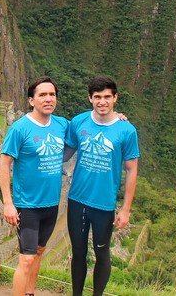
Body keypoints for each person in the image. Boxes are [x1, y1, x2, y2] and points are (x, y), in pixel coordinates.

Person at [64, 75, 139, 296]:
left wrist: (125, 209)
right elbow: (65, 153)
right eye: (97, 97)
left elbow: (132, 169)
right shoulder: (79, 122)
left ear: (115, 98)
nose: (102, 102)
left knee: (102, 253)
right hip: (77, 199)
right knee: (78, 253)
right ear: (90, 98)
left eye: (107, 97)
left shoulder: (126, 131)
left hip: (104, 204)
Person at [0, 76, 67, 296]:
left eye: (52, 94)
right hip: (27, 204)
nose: (48, 99)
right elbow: (4, 165)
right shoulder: (20, 129)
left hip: (51, 203)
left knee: (38, 252)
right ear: (31, 100)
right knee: (26, 258)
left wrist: (116, 116)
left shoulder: (62, 125)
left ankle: (30, 293)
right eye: (42, 95)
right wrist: (8, 203)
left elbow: (90, 125)